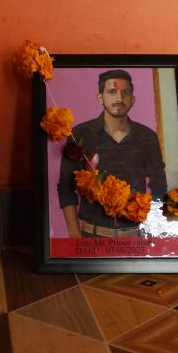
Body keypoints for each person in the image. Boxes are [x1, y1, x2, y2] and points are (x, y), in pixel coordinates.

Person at [57, 69, 167, 238]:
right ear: (100, 98)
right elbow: (66, 187)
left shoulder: (147, 137)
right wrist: (74, 236)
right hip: (91, 236)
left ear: (132, 99)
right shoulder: (79, 134)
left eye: (125, 93)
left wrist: (156, 230)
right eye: (112, 92)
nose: (119, 98)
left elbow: (159, 187)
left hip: (136, 237)